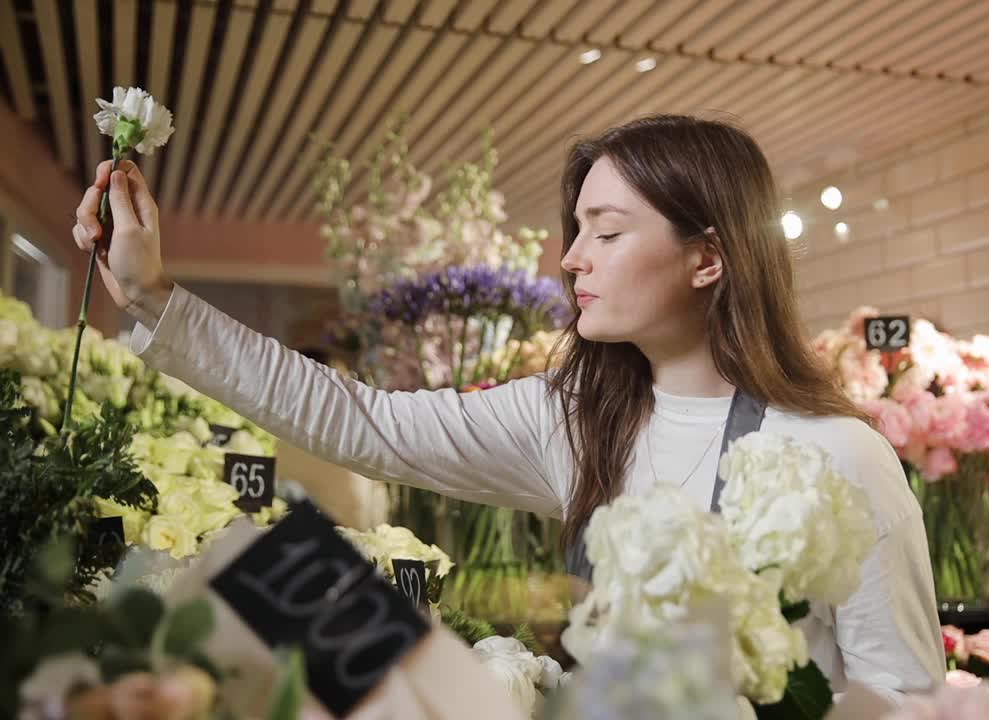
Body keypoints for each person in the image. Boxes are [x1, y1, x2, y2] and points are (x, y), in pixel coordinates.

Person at [72, 114, 945, 701]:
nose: (571, 258)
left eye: (606, 231)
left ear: (707, 258)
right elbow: (364, 423)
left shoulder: (837, 457)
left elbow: (904, 702)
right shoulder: (573, 420)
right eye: (576, 231)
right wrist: (155, 298)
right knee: (280, 584)